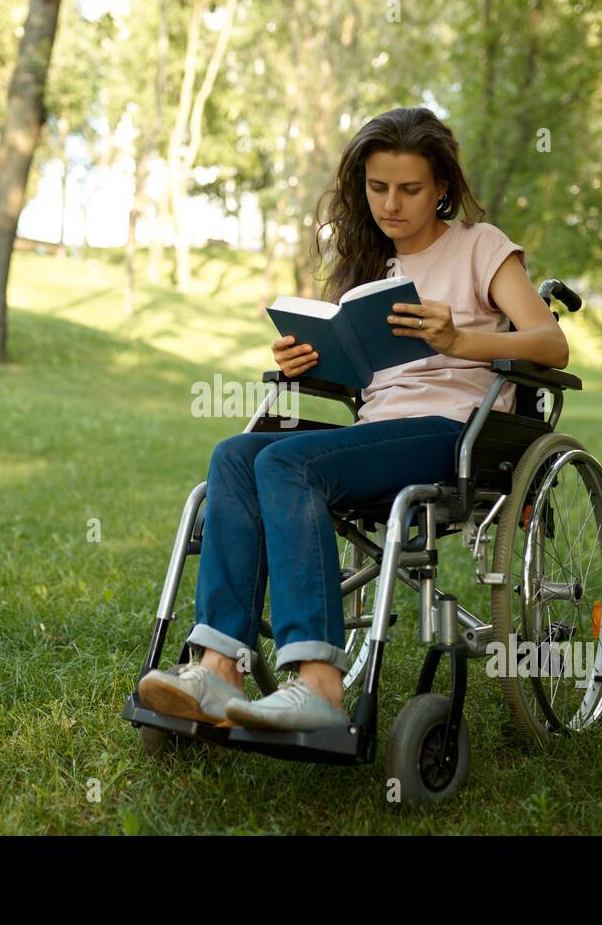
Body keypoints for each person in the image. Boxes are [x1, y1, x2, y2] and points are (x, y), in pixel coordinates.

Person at [139, 106, 569, 732]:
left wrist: (460, 342)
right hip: (377, 431)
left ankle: (319, 686)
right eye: (377, 188)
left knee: (286, 461)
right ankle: (217, 669)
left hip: (456, 432)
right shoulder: (370, 270)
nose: (391, 204)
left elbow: (551, 344)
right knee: (236, 453)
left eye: (410, 189)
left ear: (442, 187)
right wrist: (305, 362)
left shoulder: (481, 247)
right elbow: (362, 373)